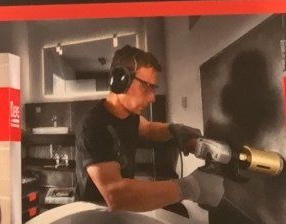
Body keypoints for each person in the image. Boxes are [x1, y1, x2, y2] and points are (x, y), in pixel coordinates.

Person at [76, 47, 222, 215]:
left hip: (118, 214)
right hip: (93, 216)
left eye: (154, 89)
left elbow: (149, 129)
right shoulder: (93, 125)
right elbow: (116, 195)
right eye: (146, 87)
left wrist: (176, 131)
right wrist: (190, 187)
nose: (152, 98)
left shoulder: (130, 117)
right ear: (120, 80)